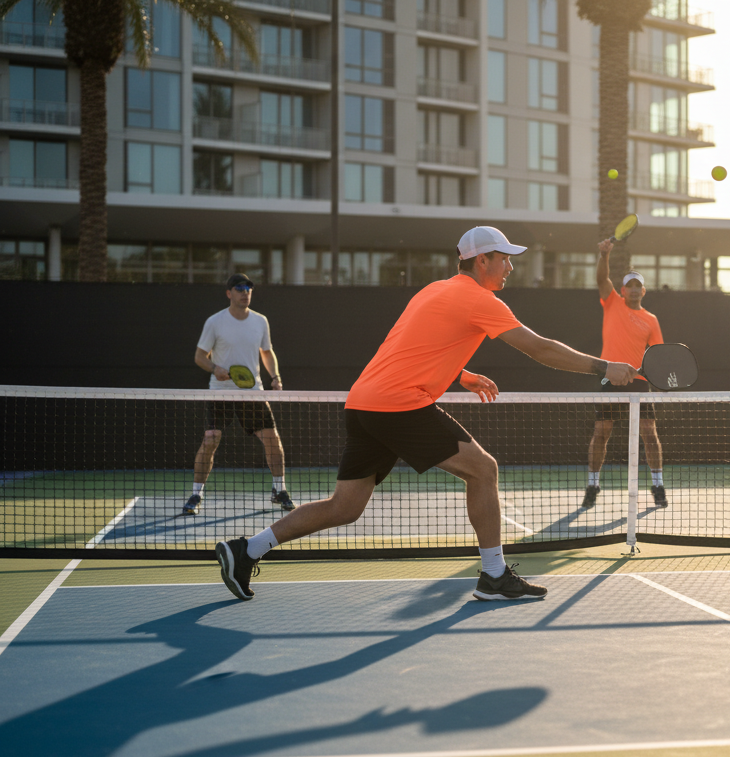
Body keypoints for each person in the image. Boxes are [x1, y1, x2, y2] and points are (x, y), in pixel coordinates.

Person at [214, 227, 637, 602]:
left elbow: (413, 347)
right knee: (483, 469)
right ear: (482, 260)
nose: (510, 266)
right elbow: (539, 347)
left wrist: (462, 374)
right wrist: (604, 367)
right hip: (399, 404)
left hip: (364, 403)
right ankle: (493, 576)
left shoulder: (435, 289)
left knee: (345, 506)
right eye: (504, 257)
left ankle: (245, 550)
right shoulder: (479, 298)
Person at [184, 273, 296, 517]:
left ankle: (280, 490)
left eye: (248, 288)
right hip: (220, 392)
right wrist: (215, 368)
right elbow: (199, 356)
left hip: (253, 392)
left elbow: (267, 352)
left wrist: (275, 377)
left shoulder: (260, 321)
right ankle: (196, 494)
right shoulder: (215, 322)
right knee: (211, 438)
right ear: (229, 293)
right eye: (239, 288)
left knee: (272, 439)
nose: (245, 292)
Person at [582, 237, 667, 509]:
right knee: (601, 433)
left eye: (637, 286)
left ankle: (657, 484)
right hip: (611, 380)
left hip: (640, 384)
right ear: (621, 290)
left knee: (649, 435)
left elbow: (658, 355)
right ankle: (593, 484)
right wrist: (604, 254)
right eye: (628, 285)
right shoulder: (612, 302)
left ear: (644, 291)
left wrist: (645, 371)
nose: (633, 290)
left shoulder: (651, 320)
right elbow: (601, 278)